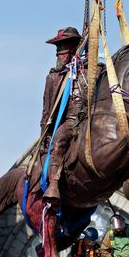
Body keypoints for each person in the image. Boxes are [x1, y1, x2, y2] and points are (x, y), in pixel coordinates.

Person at [39, 27, 86, 205]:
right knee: (58, 142)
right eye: (57, 50)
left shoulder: (86, 72)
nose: (58, 55)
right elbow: (47, 112)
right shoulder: (53, 78)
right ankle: (54, 185)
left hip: (88, 121)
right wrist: (44, 135)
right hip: (69, 124)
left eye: (62, 50)